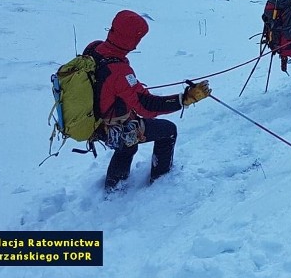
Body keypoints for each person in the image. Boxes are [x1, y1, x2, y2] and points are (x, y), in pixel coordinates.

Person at [83, 10, 212, 192]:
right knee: (168, 131)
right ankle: (160, 182)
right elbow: (147, 107)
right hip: (114, 127)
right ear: (131, 39)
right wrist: (185, 99)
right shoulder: (119, 71)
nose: (137, 44)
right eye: (138, 39)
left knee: (128, 145)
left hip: (94, 122)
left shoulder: (93, 48)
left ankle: (113, 187)